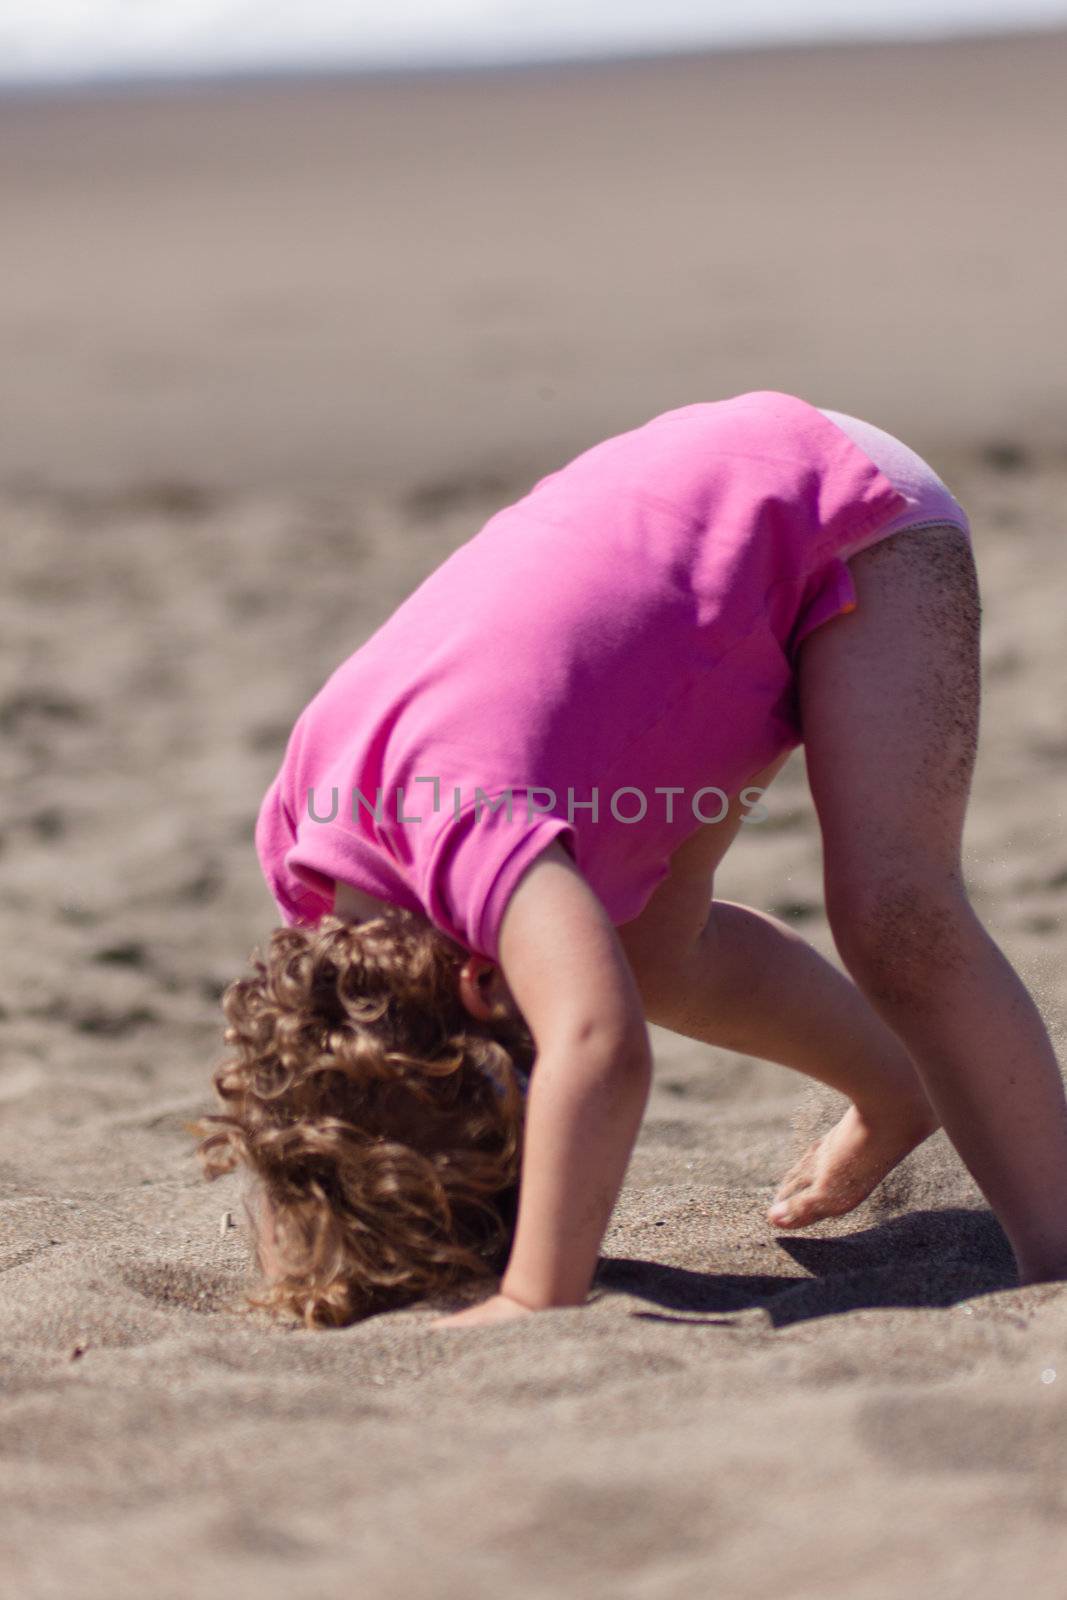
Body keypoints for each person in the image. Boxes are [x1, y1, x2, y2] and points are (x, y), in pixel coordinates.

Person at [197, 390, 1067, 1330]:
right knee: (649, 951)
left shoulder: (470, 828)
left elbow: (599, 1047)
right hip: (679, 519)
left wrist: (538, 1292)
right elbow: (320, 1108)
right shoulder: (313, 861)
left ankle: (1057, 1253)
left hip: (837, 512)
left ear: (487, 991)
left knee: (894, 911)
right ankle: (895, 1084)